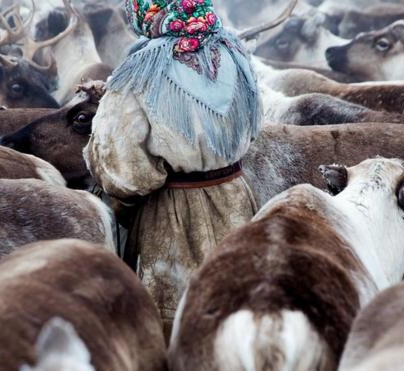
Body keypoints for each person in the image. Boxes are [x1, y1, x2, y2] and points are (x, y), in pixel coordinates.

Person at [85, 0, 261, 337]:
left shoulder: (140, 69)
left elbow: (124, 170)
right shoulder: (235, 55)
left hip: (173, 222)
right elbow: (253, 128)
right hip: (238, 204)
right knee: (243, 314)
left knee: (179, 328)